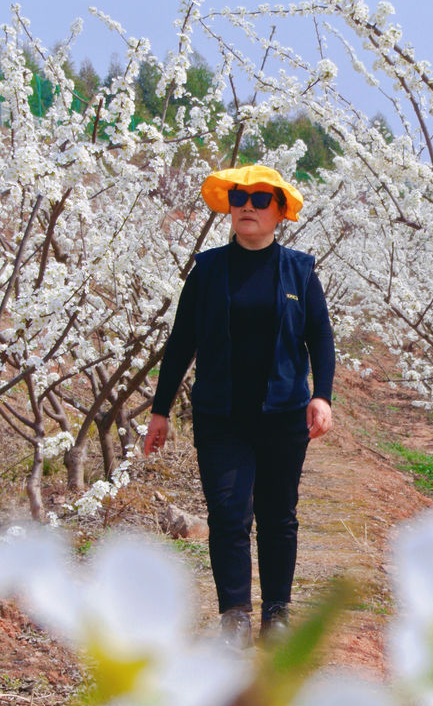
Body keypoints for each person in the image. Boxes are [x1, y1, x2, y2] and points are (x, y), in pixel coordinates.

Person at [144, 164, 335, 647]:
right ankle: (234, 615)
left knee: (277, 514)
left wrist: (321, 396)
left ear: (279, 212)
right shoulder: (208, 270)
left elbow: (321, 339)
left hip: (283, 413)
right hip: (221, 414)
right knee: (229, 513)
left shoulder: (300, 270)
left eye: (259, 199)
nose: (247, 205)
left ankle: (277, 611)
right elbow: (180, 341)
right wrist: (160, 410)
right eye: (237, 197)